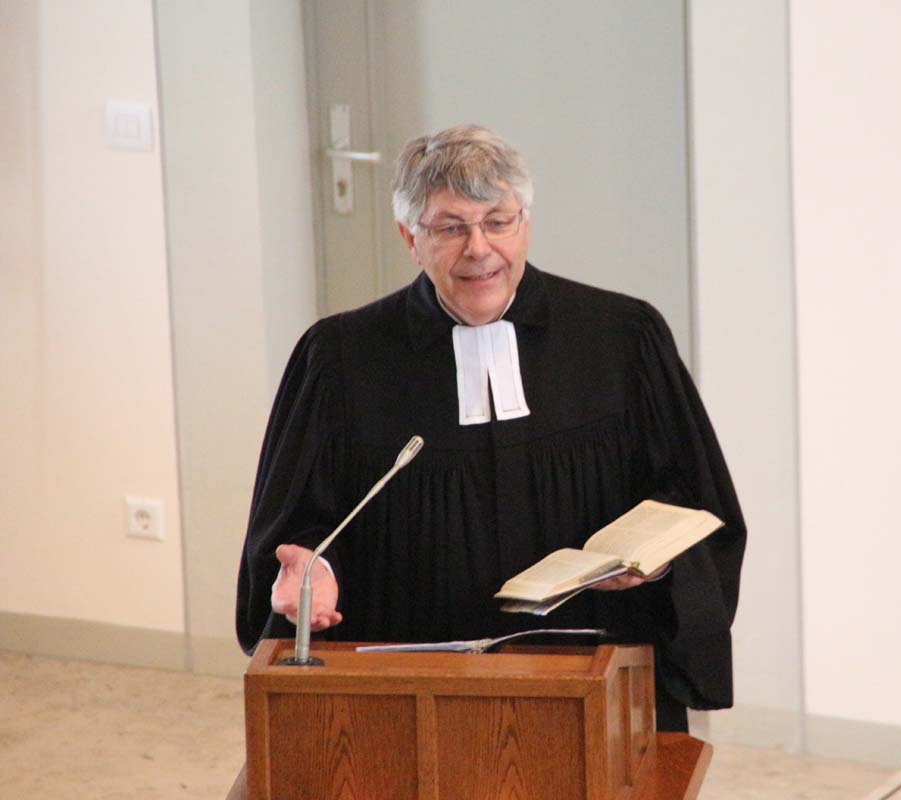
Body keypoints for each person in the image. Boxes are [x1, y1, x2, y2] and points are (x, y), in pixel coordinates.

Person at [235, 124, 745, 731]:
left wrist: (656, 561)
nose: (479, 248)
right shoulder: (340, 358)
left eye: (498, 222)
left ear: (525, 223)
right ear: (410, 237)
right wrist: (315, 571)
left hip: (595, 675)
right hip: (408, 686)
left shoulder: (622, 338)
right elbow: (300, 526)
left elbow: (694, 501)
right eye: (451, 228)